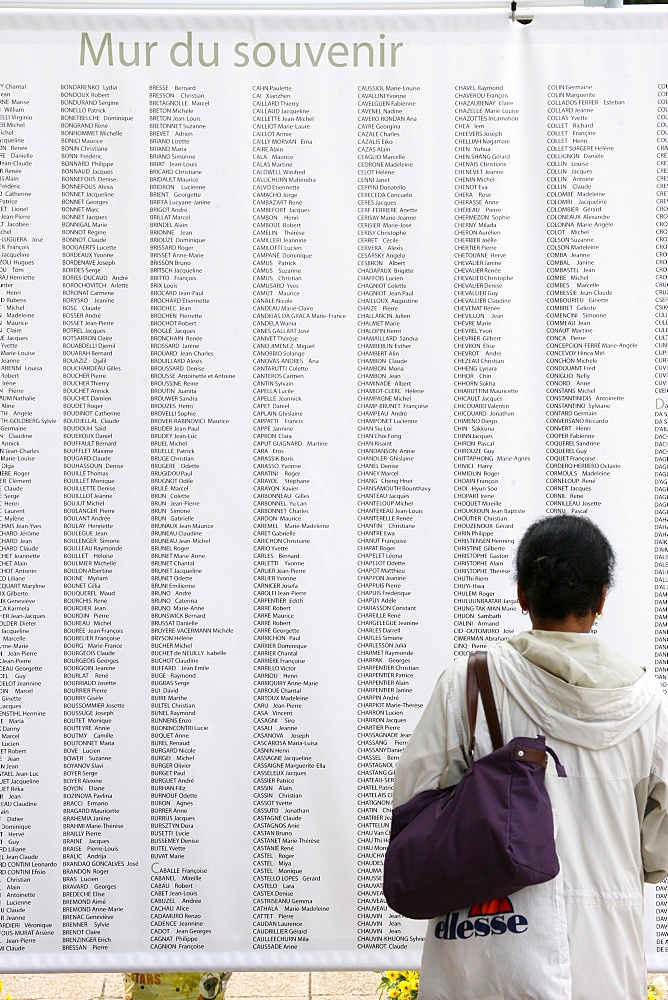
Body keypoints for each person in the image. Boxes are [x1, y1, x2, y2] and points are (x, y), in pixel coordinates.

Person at [392, 514, 668, 1000]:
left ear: (523, 594)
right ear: (601, 599)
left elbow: (415, 810)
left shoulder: (470, 684)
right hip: (607, 956)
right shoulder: (648, 702)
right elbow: (658, 846)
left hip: (489, 955)